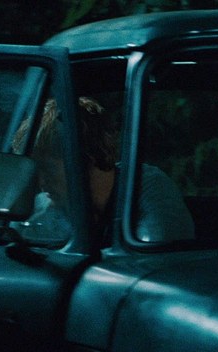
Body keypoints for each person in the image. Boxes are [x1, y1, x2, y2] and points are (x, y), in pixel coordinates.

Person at [16, 96, 194, 245]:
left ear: (84, 158)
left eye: (48, 169)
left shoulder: (145, 187)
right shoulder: (47, 205)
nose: (40, 182)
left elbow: (153, 257)